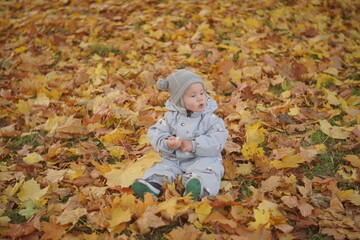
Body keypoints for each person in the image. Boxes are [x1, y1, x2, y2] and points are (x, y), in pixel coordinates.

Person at [132, 69, 228, 200]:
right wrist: (167, 142)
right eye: (193, 96)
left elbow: (218, 138)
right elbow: (155, 131)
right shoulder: (171, 117)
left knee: (209, 168)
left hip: (201, 156)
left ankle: (197, 186)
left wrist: (194, 145)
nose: (200, 98)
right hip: (175, 158)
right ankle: (152, 184)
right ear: (179, 100)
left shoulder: (210, 118)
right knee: (161, 165)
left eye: (202, 93)